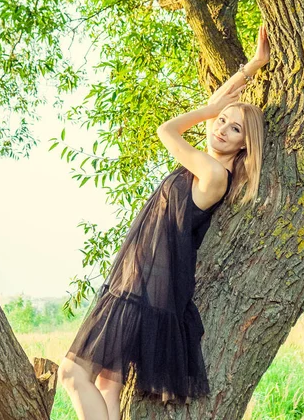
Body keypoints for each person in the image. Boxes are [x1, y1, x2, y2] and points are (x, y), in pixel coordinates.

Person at [58, 25, 270, 419]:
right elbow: (215, 112)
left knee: (72, 374)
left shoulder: (213, 175)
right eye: (220, 121)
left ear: (245, 144)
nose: (220, 128)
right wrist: (253, 66)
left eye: (234, 128)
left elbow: (166, 129)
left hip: (142, 289)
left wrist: (208, 110)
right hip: (137, 281)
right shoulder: (202, 168)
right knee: (106, 383)